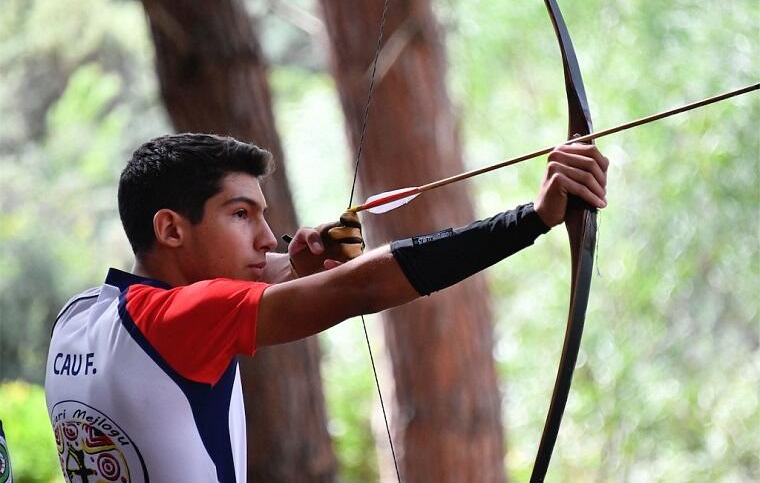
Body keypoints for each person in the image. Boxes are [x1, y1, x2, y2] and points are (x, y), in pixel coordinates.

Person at [44, 133, 608, 482]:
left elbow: (269, 271)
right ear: (170, 228)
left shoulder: (79, 320)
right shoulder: (180, 320)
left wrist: (298, 264)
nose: (266, 237)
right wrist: (532, 219)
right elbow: (360, 288)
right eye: (241, 215)